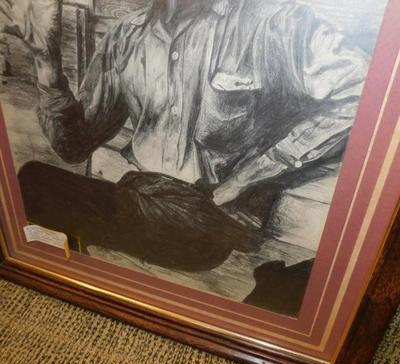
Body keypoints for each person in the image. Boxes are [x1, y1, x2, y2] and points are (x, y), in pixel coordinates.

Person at [1, 0, 368, 212]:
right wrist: (46, 60)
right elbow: (74, 147)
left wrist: (251, 175)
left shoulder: (277, 22)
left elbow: (365, 92)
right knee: (32, 183)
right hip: (135, 193)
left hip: (216, 212)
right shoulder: (127, 34)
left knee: (34, 189)